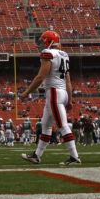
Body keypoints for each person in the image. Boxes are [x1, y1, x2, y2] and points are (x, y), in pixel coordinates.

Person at [18, 30, 81, 166]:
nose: (41, 43)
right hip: (62, 92)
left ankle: (74, 157)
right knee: (46, 125)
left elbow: (40, 77)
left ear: (49, 41)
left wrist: (26, 92)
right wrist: (69, 99)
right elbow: (68, 81)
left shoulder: (49, 54)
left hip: (54, 92)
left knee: (62, 126)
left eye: (43, 40)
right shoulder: (64, 55)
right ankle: (37, 155)